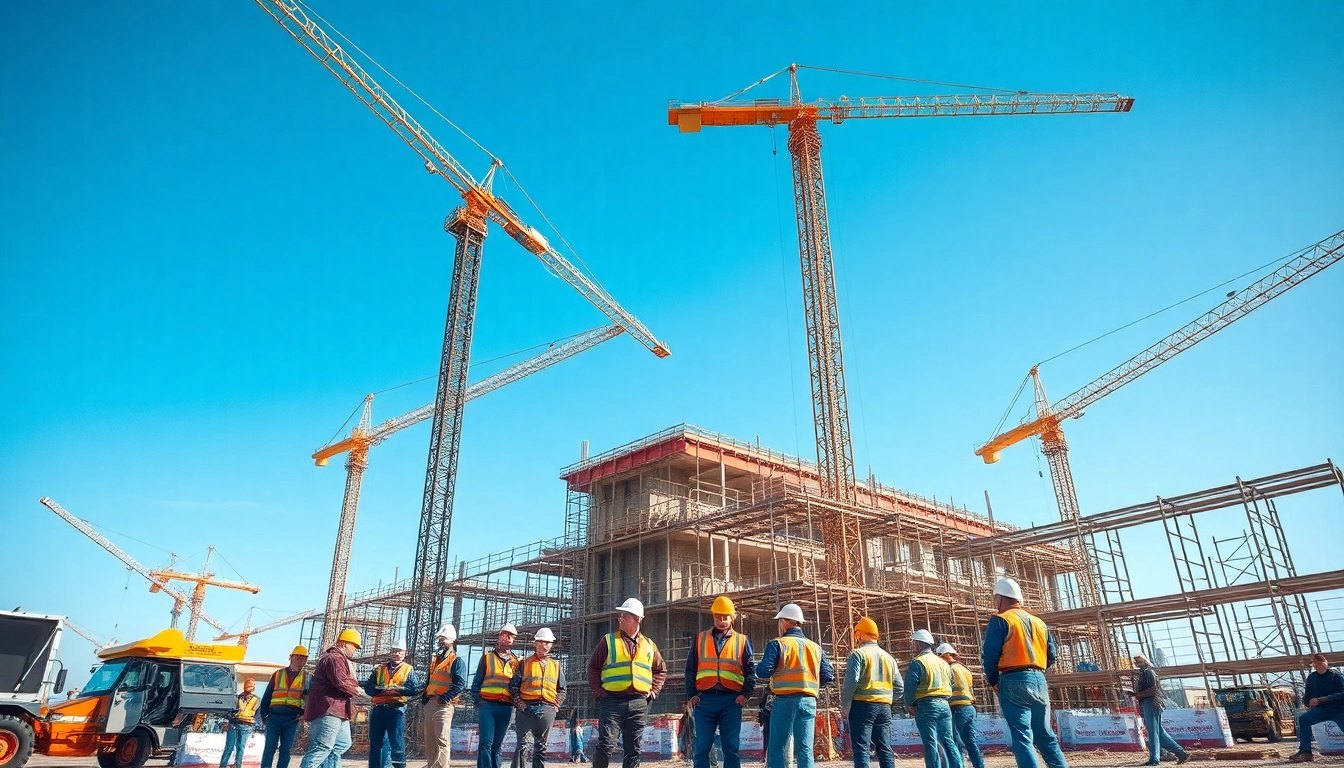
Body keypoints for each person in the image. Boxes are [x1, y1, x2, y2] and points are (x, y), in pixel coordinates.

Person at [981, 578, 1067, 768]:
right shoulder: (1039, 623)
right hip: (1039, 679)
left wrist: (993, 680)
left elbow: (990, 655)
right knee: (1046, 735)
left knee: (1022, 736)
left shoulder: (1001, 619)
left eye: (996, 599)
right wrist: (1036, 668)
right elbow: (1051, 655)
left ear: (1000, 599)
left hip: (1013, 679)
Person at [588, 598, 668, 768]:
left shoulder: (649, 645)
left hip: (639, 702)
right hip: (611, 701)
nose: (620, 618)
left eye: (624, 615)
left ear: (637, 618)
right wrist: (598, 691)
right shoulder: (608, 641)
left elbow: (661, 670)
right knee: (606, 745)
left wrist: (654, 691)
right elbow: (593, 668)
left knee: (634, 749)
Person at [755, 603, 835, 768]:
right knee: (805, 749)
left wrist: (754, 667)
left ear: (784, 621)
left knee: (777, 747)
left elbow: (763, 671)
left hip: (785, 701)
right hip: (808, 702)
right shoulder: (816, 647)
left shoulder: (778, 644)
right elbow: (828, 675)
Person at [685, 596, 756, 768]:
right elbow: (690, 670)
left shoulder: (742, 640)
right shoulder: (700, 639)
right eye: (718, 616)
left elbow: (750, 671)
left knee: (731, 747)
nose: (722, 620)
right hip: (705, 701)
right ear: (713, 616)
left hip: (731, 701)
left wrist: (745, 694)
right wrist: (692, 694)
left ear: (733, 617)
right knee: (702, 747)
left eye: (726, 617)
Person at [299, 628, 364, 768]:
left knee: (341, 743)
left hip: (339, 709)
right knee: (321, 747)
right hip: (328, 709)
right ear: (345, 643)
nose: (355, 651)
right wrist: (361, 692)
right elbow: (341, 682)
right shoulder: (333, 658)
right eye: (354, 646)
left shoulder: (339, 659)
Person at [841, 618, 898, 768]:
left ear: (860, 634)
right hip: (884, 708)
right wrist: (889, 699)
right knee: (885, 748)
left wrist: (845, 705)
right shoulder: (889, 658)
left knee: (861, 749)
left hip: (862, 707)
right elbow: (899, 686)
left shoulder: (858, 654)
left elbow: (851, 682)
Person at [903, 630, 960, 768]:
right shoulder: (943, 663)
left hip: (927, 705)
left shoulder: (918, 662)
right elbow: (951, 683)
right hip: (945, 705)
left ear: (917, 644)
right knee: (949, 741)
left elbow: (910, 686)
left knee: (930, 742)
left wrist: (909, 704)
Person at [511, 627, 567, 768]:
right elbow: (513, 687)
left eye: (547, 643)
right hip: (526, 709)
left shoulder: (555, 665)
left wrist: (555, 705)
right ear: (535, 643)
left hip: (547, 709)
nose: (544, 645)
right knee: (522, 746)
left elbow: (562, 689)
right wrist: (520, 704)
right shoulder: (524, 664)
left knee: (541, 747)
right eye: (541, 642)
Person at [363, 639, 419, 768]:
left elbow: (415, 690)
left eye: (399, 651)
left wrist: (400, 690)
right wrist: (379, 690)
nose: (396, 654)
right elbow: (368, 688)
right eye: (394, 651)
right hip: (378, 709)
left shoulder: (408, 670)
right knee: (376, 744)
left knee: (396, 744)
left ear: (405, 653)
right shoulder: (380, 669)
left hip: (396, 710)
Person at [475, 624, 522, 768]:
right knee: (486, 742)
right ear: (499, 636)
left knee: (497, 744)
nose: (506, 638)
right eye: (504, 635)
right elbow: (477, 682)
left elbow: (518, 686)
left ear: (513, 640)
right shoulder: (486, 658)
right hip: (487, 706)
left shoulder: (517, 662)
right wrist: (478, 702)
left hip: (506, 707)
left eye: (510, 636)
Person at [1130, 654, 1188, 766]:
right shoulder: (1145, 672)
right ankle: (1180, 752)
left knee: (1153, 732)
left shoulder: (1147, 672)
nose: (1136, 663)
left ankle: (1155, 759)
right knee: (1159, 732)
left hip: (1151, 702)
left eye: (1137, 661)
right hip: (1149, 701)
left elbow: (1153, 689)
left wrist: (1138, 695)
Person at [424, 624, 467, 768]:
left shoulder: (456, 661)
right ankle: (431, 765)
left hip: (443, 706)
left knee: (442, 740)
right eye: (440, 639)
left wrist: (443, 698)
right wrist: (426, 699)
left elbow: (460, 685)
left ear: (451, 640)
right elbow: (430, 682)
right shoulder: (436, 661)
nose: (440, 642)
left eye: (443, 639)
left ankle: (442, 766)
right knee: (430, 740)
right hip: (431, 704)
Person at [260, 646, 310, 768]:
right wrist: (263, 715)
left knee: (286, 749)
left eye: (303, 658)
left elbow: (309, 698)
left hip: (292, 719)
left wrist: (304, 713)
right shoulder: (278, 674)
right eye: (298, 657)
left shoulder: (307, 677)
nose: (301, 660)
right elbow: (267, 695)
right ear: (291, 657)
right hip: (274, 717)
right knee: (269, 748)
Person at [1289, 653, 1344, 762]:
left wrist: (1322, 699)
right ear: (1313, 664)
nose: (1318, 664)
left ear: (1326, 662)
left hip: (1339, 710)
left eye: (1320, 661)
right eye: (1315, 662)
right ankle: (1305, 751)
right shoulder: (1312, 677)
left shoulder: (1336, 676)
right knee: (1304, 719)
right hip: (1322, 710)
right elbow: (1308, 695)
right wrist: (1308, 704)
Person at [936, 643, 983, 768]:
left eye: (939, 656)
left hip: (956, 708)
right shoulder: (965, 668)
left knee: (953, 741)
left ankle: (958, 765)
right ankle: (979, 765)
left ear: (945, 655)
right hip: (969, 707)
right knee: (970, 742)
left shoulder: (949, 669)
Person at [220, 678, 260, 768]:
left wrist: (227, 721)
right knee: (240, 748)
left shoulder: (237, 698)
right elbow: (256, 714)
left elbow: (231, 711)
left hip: (238, 723)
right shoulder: (256, 699)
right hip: (246, 724)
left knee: (230, 747)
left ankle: (223, 766)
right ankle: (237, 765)